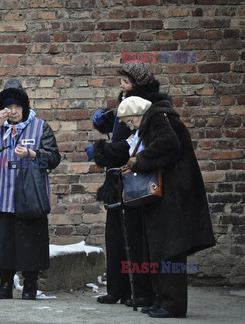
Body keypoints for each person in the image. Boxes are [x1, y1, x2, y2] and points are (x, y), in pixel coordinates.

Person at [118, 96, 216, 318]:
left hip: (174, 193)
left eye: (129, 121)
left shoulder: (158, 118)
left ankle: (173, 305)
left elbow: (169, 145)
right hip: (169, 192)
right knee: (162, 247)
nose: (130, 126)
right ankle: (162, 300)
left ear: (137, 113)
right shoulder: (158, 118)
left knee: (171, 248)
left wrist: (140, 160)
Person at [86, 63, 162, 307]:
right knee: (114, 236)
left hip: (134, 178)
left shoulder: (149, 107)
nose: (121, 85)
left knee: (133, 238)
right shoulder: (126, 100)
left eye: (126, 81)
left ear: (138, 84)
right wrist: (105, 121)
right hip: (116, 178)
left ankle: (135, 291)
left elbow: (131, 143)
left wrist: (101, 150)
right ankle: (116, 289)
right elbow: (120, 127)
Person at [0, 78, 60, 300]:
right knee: (2, 242)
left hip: (30, 196)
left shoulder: (41, 127)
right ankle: (5, 285)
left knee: (31, 241)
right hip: (3, 194)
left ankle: (30, 285)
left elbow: (52, 160)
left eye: (16, 107)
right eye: (8, 107)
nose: (12, 111)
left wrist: (33, 155)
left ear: (24, 107)